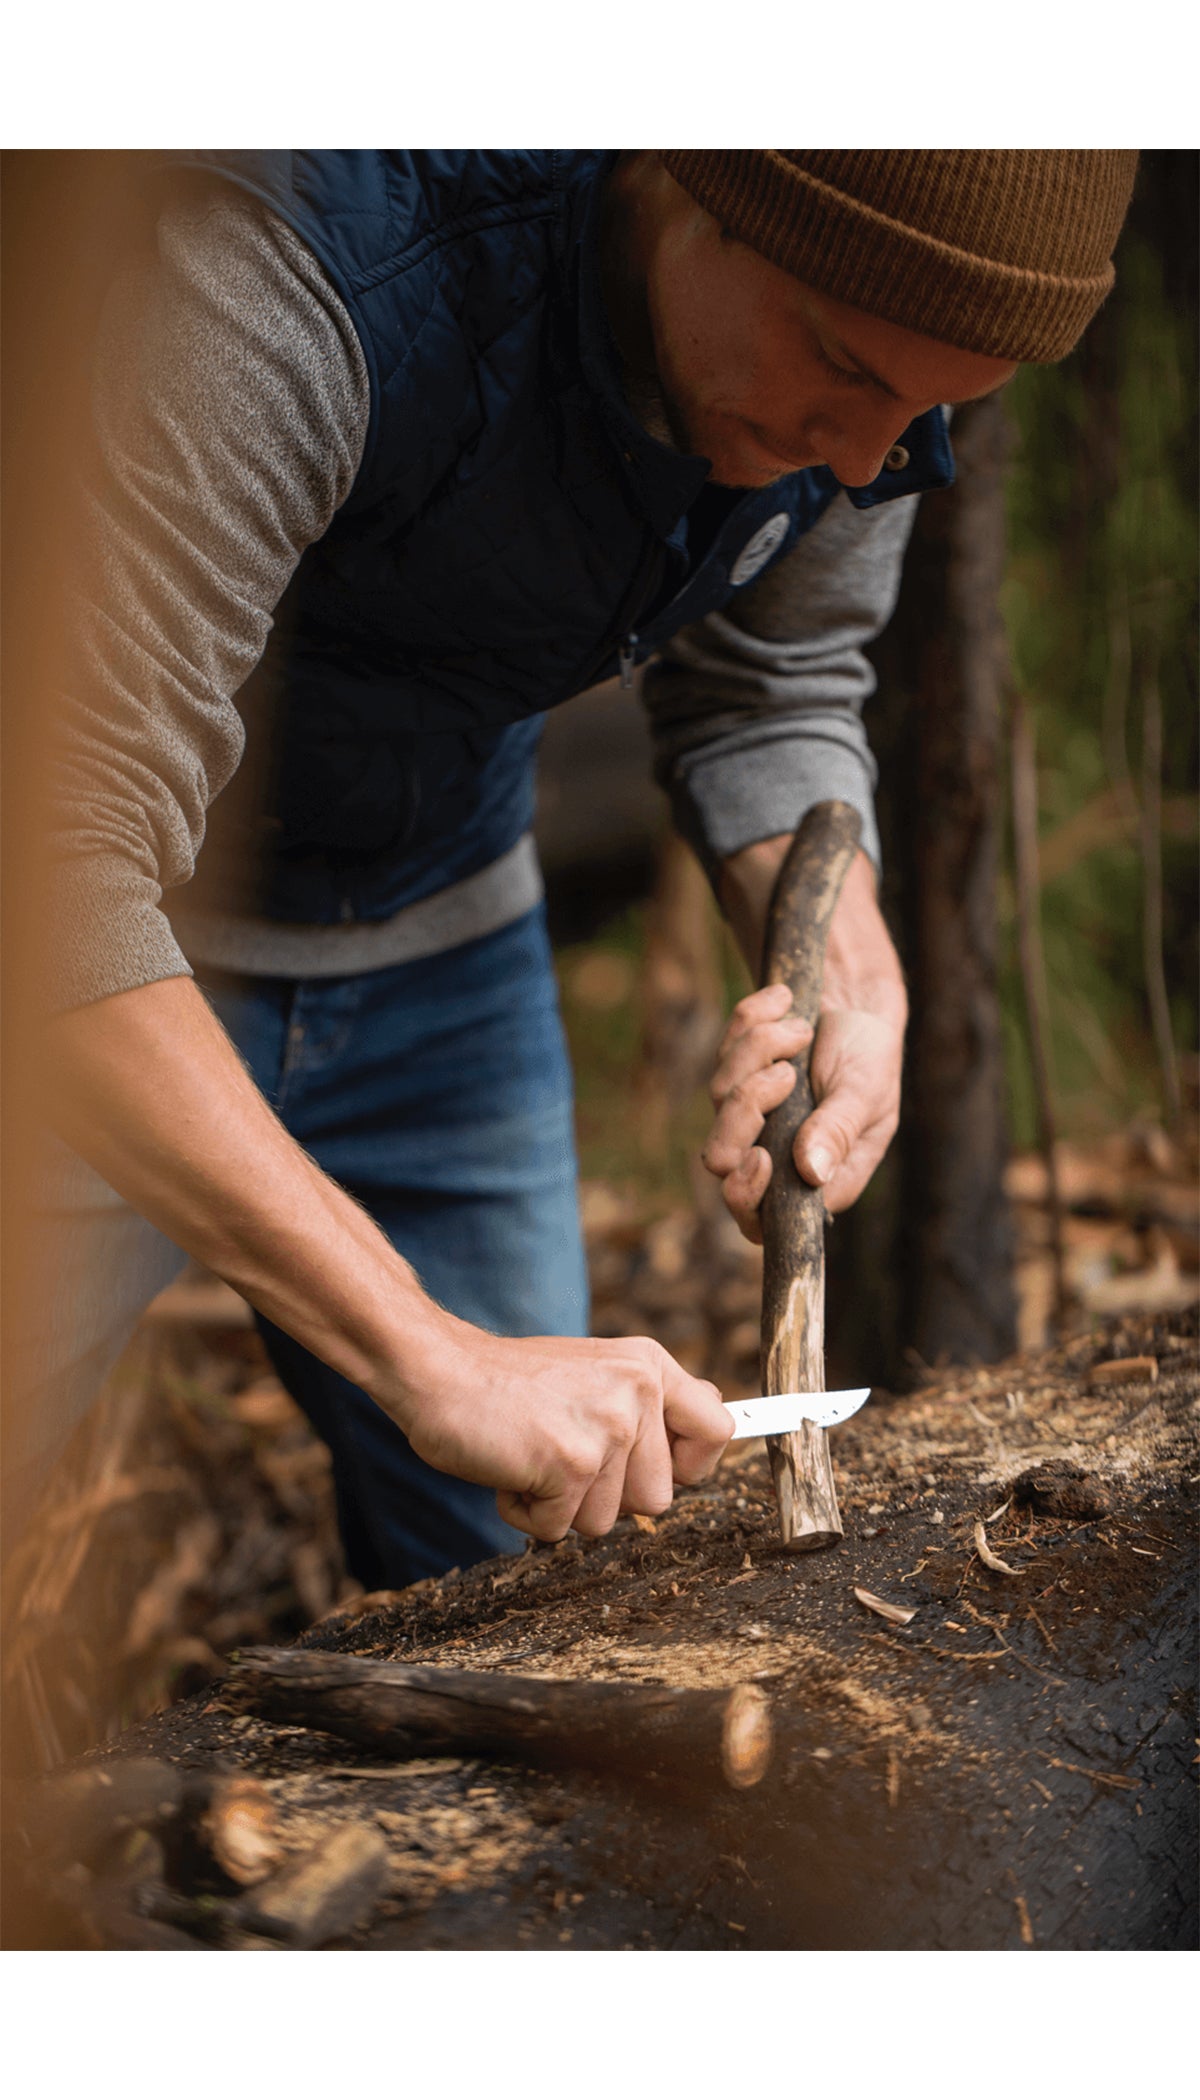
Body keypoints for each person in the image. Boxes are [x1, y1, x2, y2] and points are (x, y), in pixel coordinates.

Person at [24, 149, 1137, 1584]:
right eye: (843, 369)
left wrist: (847, 972)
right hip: (98, 987)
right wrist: (437, 1358)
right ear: (690, 179)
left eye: (924, 416)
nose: (864, 463)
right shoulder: (291, 287)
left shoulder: (868, 388)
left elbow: (776, 680)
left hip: (443, 951)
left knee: (531, 1580)